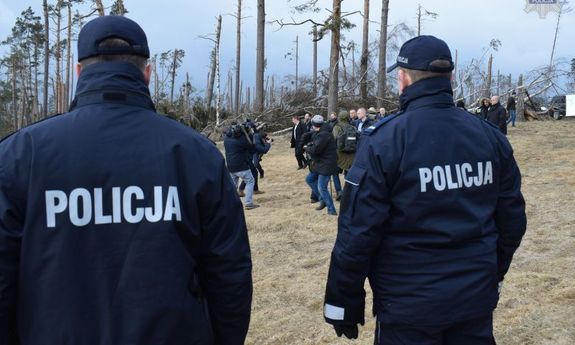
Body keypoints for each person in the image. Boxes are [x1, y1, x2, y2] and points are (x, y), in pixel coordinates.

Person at [0, 16, 253, 345]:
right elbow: (229, 273)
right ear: (147, 74)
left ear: (79, 73)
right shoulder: (195, 154)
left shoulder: (20, 155)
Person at [324, 35, 526, 345]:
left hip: (411, 304)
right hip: (467, 295)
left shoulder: (384, 140)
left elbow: (357, 232)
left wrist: (342, 300)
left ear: (402, 79)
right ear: (451, 78)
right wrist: (491, 273)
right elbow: (511, 221)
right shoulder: (489, 137)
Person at [304, 115, 339, 216]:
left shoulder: (323, 135)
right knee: (309, 179)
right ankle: (322, 199)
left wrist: (307, 148)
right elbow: (315, 145)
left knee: (322, 187)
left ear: (314, 125)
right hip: (320, 163)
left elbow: (315, 150)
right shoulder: (320, 133)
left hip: (326, 164)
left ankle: (331, 210)